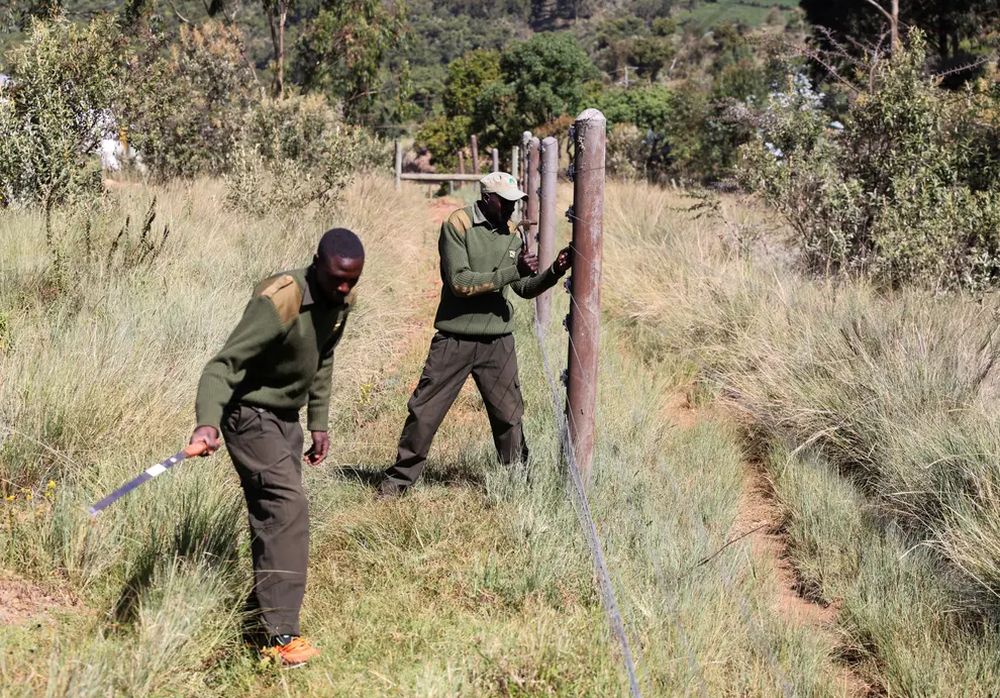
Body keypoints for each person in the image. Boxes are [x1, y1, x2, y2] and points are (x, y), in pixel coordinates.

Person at [189, 228, 364, 667]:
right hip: (248, 415)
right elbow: (221, 366)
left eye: (351, 280)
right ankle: (280, 634)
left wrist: (318, 421)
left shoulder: (342, 301)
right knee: (288, 509)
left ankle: (256, 619)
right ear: (316, 263)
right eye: (336, 278)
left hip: (285, 421)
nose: (343, 288)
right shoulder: (279, 299)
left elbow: (323, 358)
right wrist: (206, 423)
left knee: (272, 517)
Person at [378, 171, 572, 497]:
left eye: (516, 202)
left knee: (509, 417)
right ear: (487, 199)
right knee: (424, 413)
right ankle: (396, 484)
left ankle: (518, 485)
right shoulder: (457, 225)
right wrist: (513, 271)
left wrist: (553, 271)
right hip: (454, 338)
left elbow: (522, 288)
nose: (512, 209)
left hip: (498, 341)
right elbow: (460, 282)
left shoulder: (511, 232)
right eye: (506, 202)